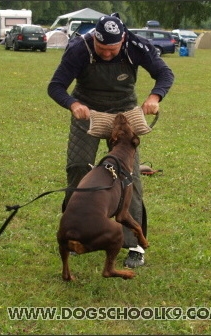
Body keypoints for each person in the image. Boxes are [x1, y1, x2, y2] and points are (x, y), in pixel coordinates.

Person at [47, 14, 174, 268]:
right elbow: (56, 86)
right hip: (89, 113)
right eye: (101, 48)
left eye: (111, 49)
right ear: (94, 38)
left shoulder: (136, 46)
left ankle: (135, 245)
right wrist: (73, 104)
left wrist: (155, 97)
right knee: (78, 168)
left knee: (131, 180)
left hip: (124, 114)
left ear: (123, 40)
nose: (106, 54)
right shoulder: (78, 49)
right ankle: (74, 234)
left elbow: (164, 73)